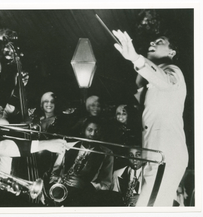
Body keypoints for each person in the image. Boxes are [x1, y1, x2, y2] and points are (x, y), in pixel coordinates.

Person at [112, 29, 188, 206]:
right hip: (157, 156)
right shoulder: (155, 78)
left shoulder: (173, 71)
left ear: (172, 52)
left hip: (165, 157)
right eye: (153, 41)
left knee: (149, 207)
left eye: (159, 41)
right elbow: (147, 84)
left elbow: (161, 80)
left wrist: (136, 58)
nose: (152, 43)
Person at [47, 117, 122, 206]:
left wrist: (85, 185)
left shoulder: (107, 153)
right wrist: (60, 180)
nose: (93, 134)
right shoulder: (68, 146)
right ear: (83, 130)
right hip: (61, 192)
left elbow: (106, 184)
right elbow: (54, 172)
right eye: (89, 130)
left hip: (86, 198)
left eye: (97, 131)